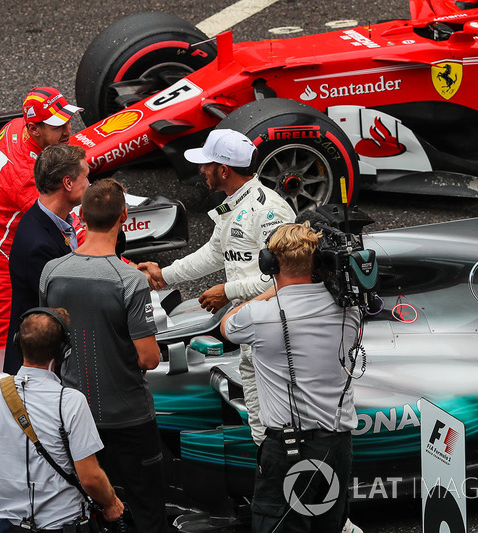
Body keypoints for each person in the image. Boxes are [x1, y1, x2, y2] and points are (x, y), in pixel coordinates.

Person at [137, 128, 295, 446]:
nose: (201, 170)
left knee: (280, 417)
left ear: (223, 170)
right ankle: (268, 466)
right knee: (258, 419)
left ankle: (283, 474)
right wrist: (163, 276)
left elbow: (285, 278)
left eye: (206, 164)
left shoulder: (269, 211)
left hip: (278, 334)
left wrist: (228, 291)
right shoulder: (234, 204)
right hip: (253, 329)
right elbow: (214, 253)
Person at [40, 179, 166, 533]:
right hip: (128, 419)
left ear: (81, 216)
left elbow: (49, 339)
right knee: (146, 510)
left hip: (74, 416)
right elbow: (149, 359)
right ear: (124, 216)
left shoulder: (51, 271)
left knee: (88, 510)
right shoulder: (129, 281)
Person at [219, 223, 362, 533]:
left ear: (270, 263)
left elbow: (227, 325)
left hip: (286, 451)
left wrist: (274, 289)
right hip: (337, 449)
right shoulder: (350, 312)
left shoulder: (260, 316)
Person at [0, 307, 124, 532]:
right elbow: (90, 478)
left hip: (9, 526)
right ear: (63, 352)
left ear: (17, 343)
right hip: (64, 524)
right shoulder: (71, 402)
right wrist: (111, 503)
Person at [0, 86, 83, 355]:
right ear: (35, 129)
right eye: (58, 126)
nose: (67, 132)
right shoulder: (26, 177)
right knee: (3, 344)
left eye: (67, 120)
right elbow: (64, 224)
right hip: (0, 260)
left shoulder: (16, 125)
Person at [4, 144, 89, 374]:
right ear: (68, 183)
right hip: (40, 368)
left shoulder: (49, 222)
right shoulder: (39, 245)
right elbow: (66, 306)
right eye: (86, 177)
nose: (89, 184)